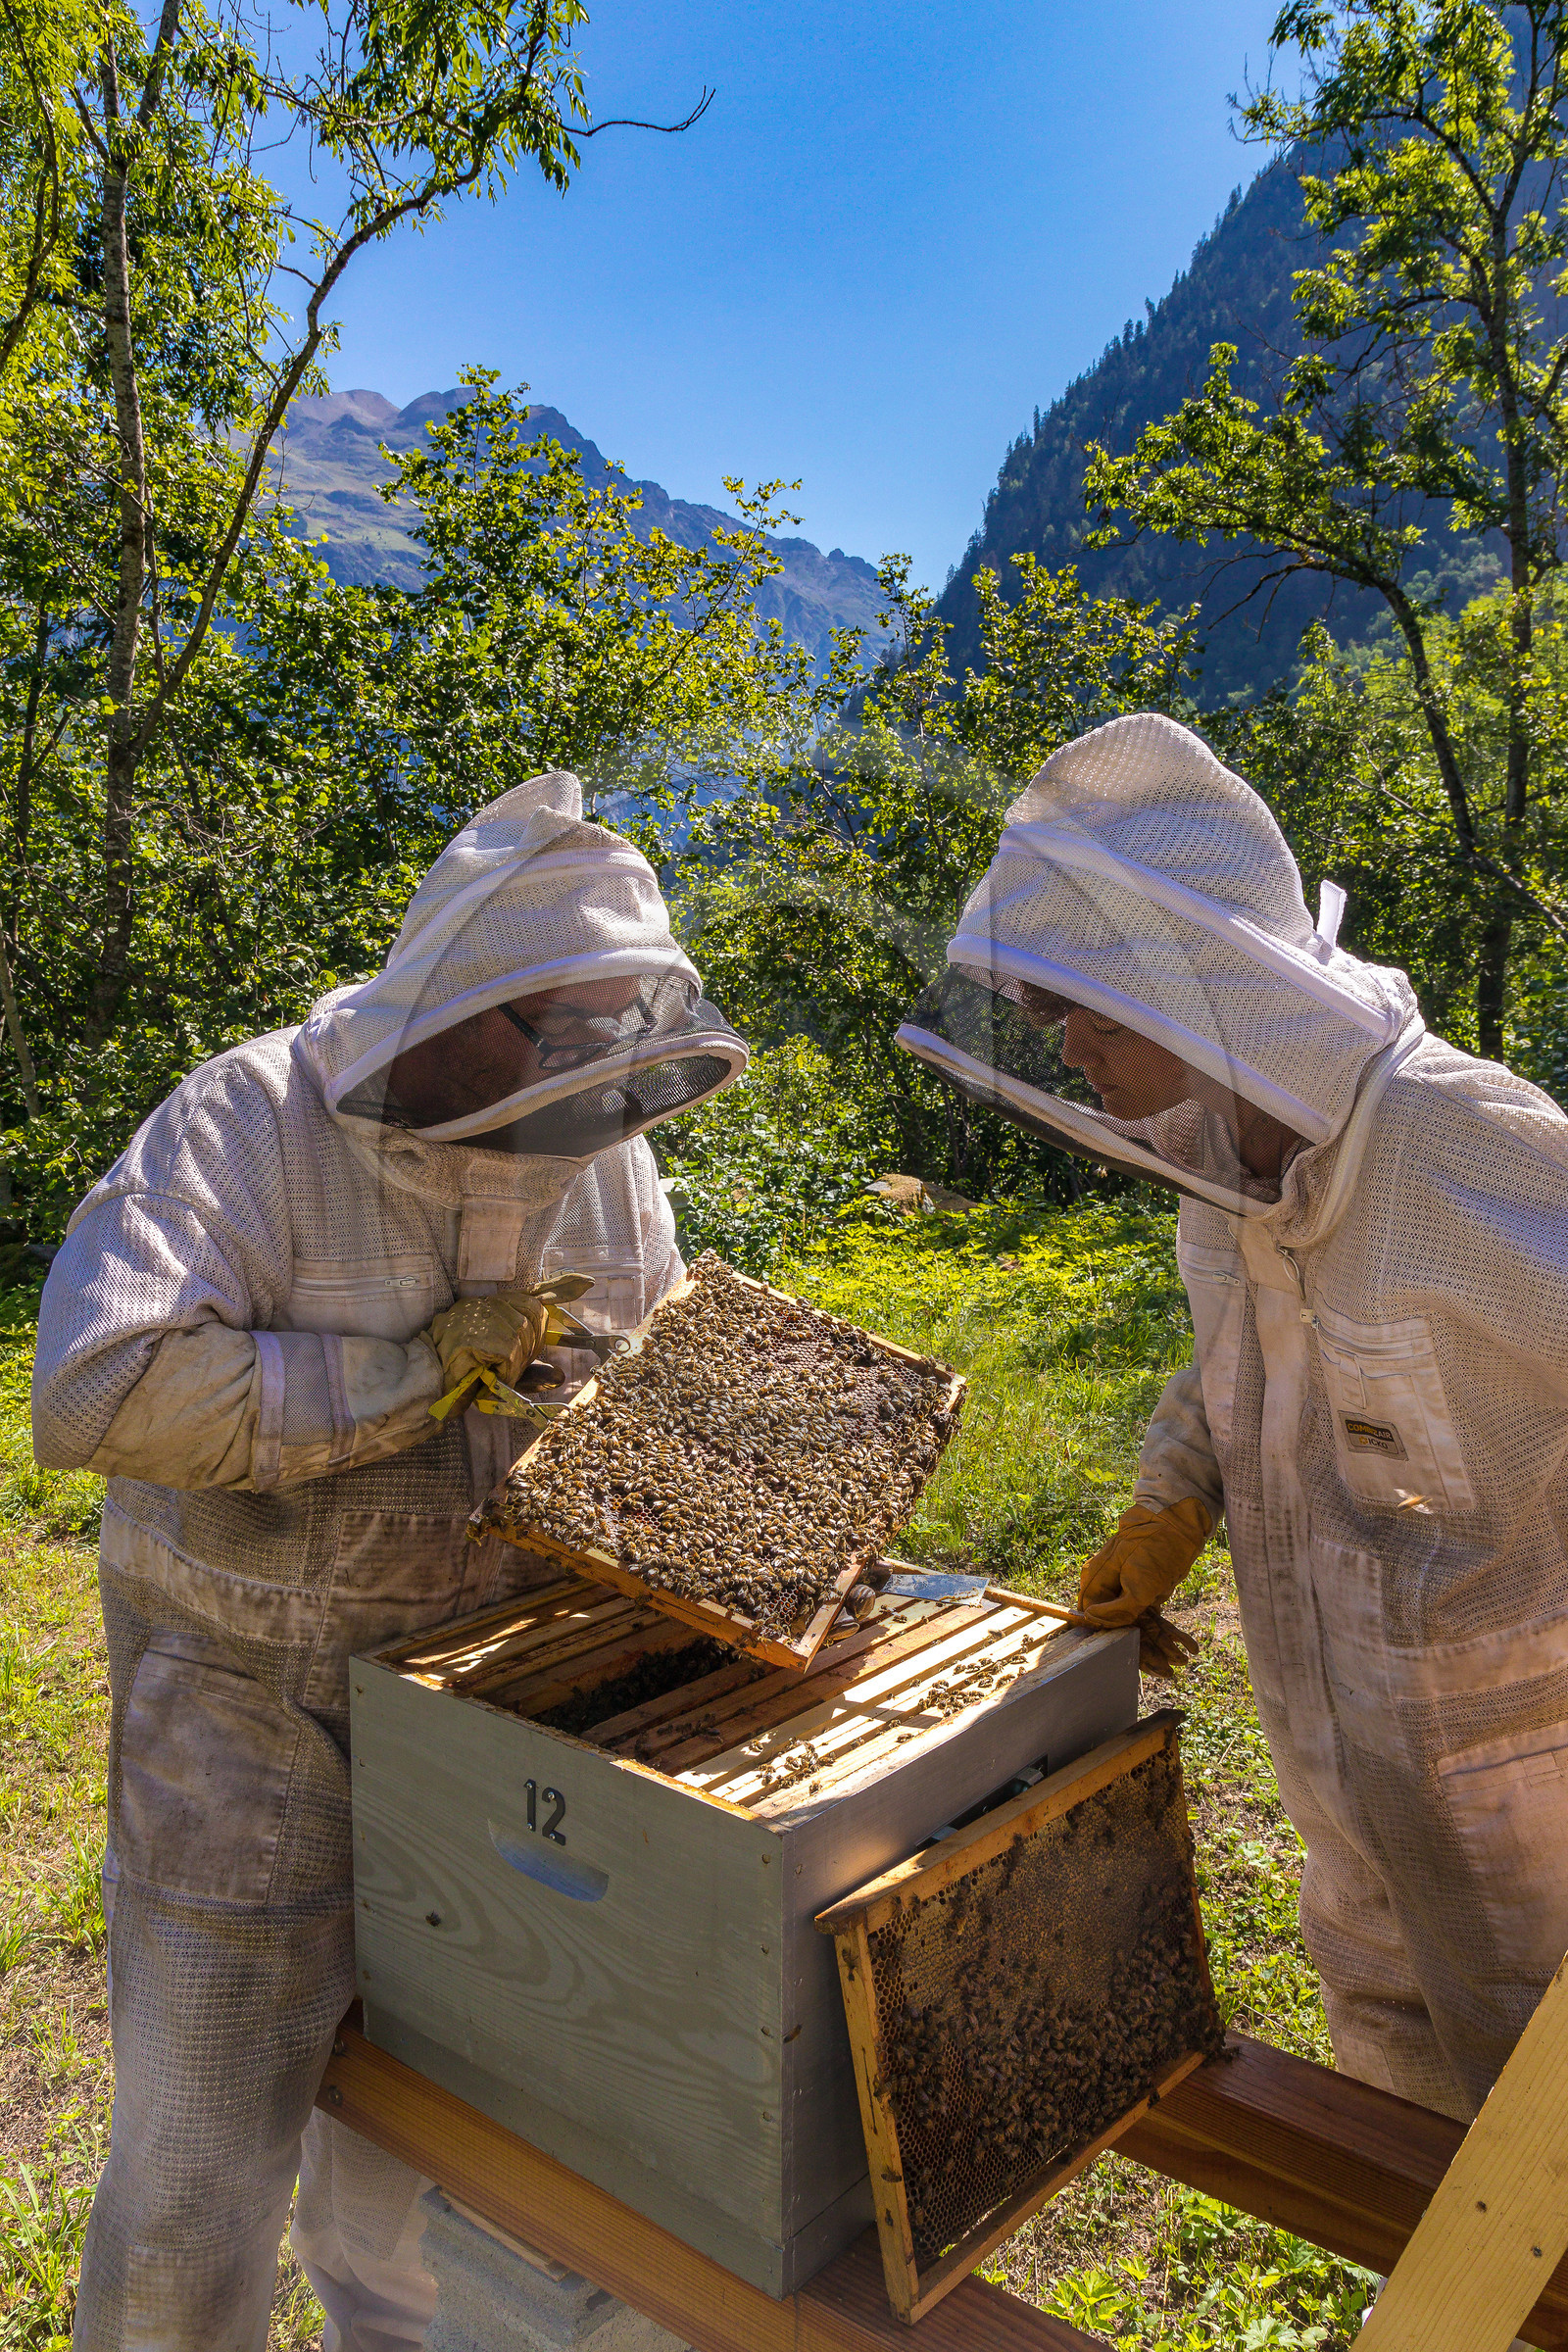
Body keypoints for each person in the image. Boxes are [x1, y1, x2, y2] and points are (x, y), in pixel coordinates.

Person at [31, 769, 748, 2351]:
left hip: (499, 1726)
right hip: (250, 1720)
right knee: (199, 2164)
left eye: (604, 1043)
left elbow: (647, 1362)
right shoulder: (248, 1117)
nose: (579, 1080)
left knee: (429, 2160)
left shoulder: (600, 1146)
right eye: (552, 1035)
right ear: (457, 995)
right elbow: (95, 1387)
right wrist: (417, 1374)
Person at [897, 710, 1568, 2129]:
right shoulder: (1219, 1145)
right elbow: (1233, 1362)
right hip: (1340, 1766)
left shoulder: (1471, 1148)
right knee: (1404, 2115)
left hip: (1535, 1804)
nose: (1067, 1045)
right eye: (1043, 1013)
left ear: (1205, 974)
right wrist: (1171, 1504)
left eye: (1089, 1005)